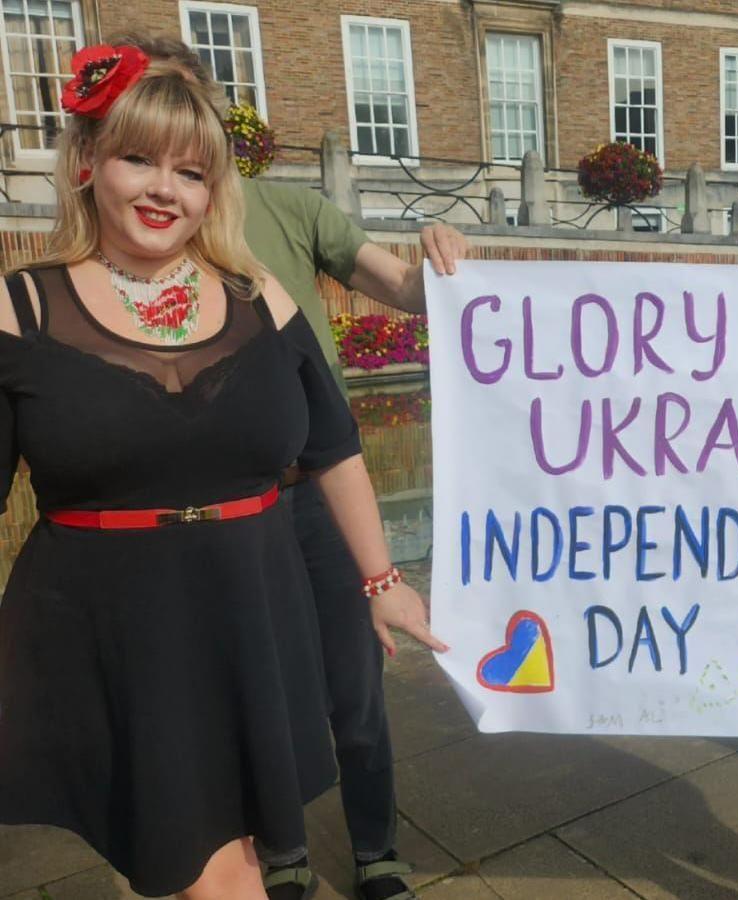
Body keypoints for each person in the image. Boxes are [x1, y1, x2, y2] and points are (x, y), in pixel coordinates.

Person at [0, 39, 444, 900]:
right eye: (139, 159)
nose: (166, 189)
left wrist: (382, 578)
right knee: (191, 865)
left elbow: (332, 445)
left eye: (192, 172)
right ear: (88, 162)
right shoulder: (22, 308)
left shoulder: (256, 296)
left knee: (226, 855)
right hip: (109, 627)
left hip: (251, 609)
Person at [120, 36, 467, 900]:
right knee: (256, 697)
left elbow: (400, 288)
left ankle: (378, 848)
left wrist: (442, 263)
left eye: (189, 118)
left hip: (315, 490)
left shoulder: (287, 210)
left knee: (355, 688)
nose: (174, 160)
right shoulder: (147, 237)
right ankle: (282, 853)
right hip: (214, 509)